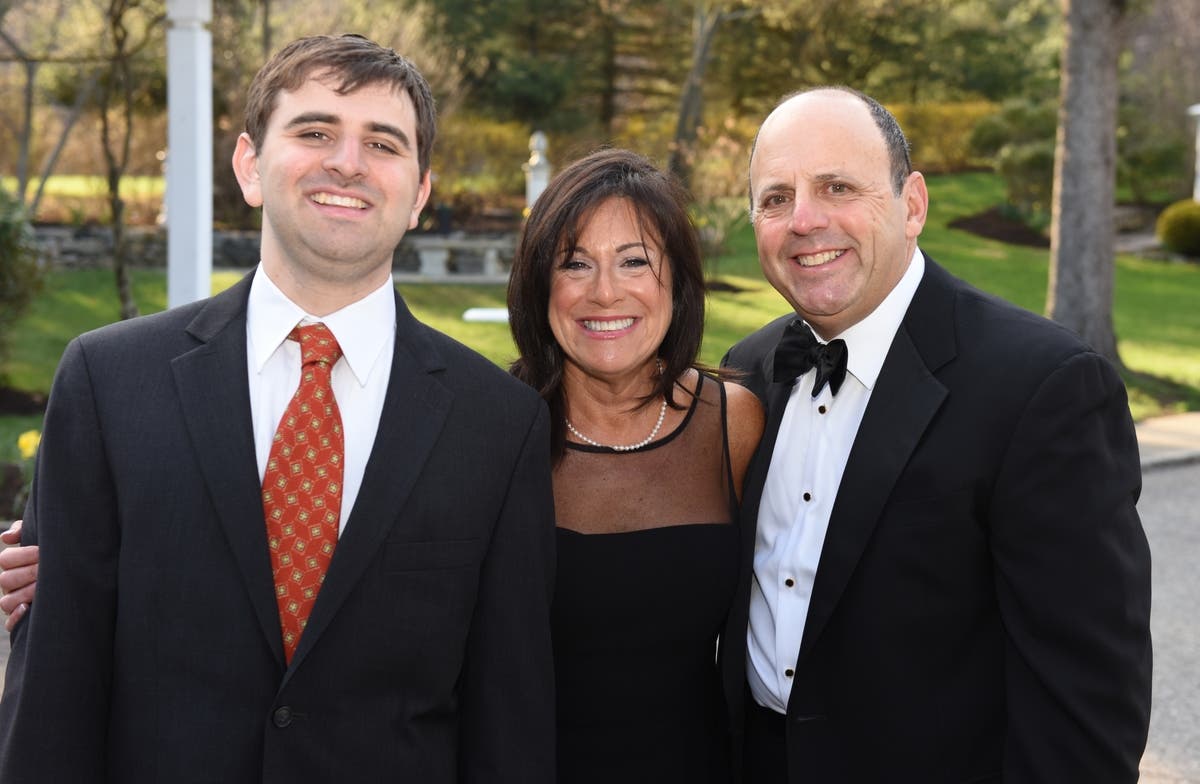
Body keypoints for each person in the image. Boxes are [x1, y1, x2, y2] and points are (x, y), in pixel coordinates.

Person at [0, 34, 556, 783]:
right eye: (315, 131)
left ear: (420, 193)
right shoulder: (108, 383)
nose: (348, 163)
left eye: (382, 143)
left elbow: (508, 721)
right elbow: (53, 694)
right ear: (249, 166)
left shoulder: (498, 425)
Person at [720, 86, 1153, 782]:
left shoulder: (1044, 388)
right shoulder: (747, 373)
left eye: (837, 187)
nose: (804, 220)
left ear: (913, 204)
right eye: (776, 198)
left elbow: (1087, 704)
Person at [507, 147, 763, 782]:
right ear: (539, 285)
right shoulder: (492, 430)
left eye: (634, 262)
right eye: (575, 264)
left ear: (677, 281)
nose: (604, 292)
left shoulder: (735, 424)